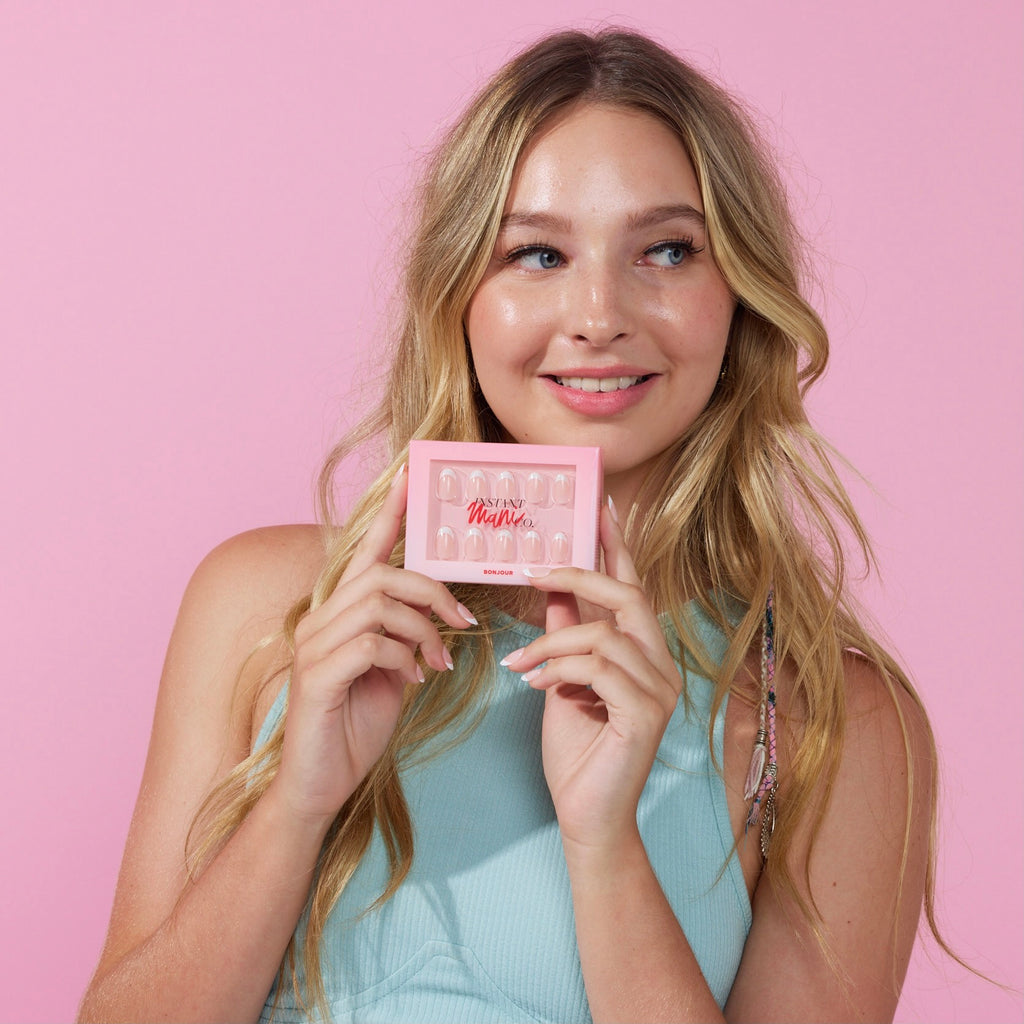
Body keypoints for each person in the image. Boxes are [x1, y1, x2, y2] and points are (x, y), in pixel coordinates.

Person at [78, 28, 936, 1024]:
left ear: (738, 299)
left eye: (667, 249)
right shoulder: (269, 607)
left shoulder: (834, 720)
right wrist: (299, 802)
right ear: (460, 301)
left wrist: (604, 840)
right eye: (536, 253)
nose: (599, 313)